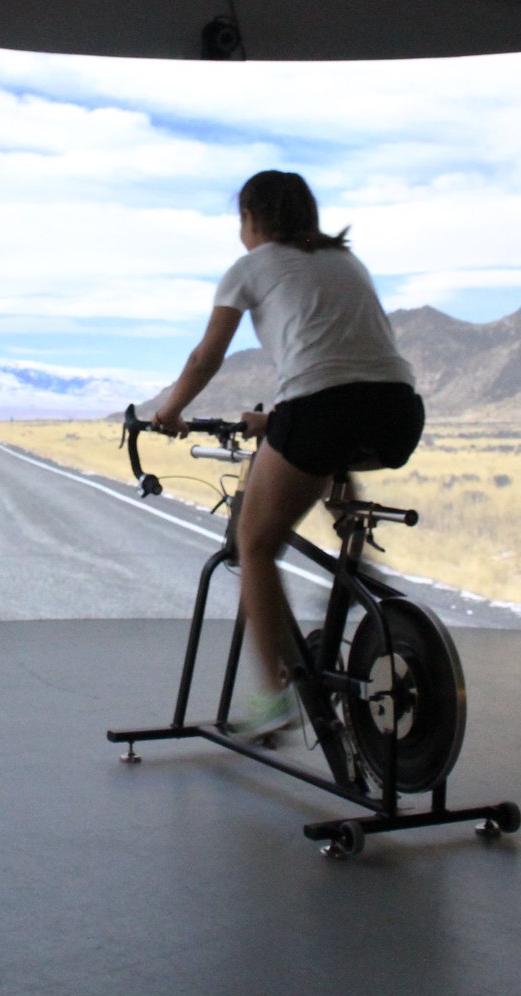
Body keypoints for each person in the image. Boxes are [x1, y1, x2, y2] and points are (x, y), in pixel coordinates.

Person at [152, 169, 425, 739]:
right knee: (323, 449)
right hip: (397, 414)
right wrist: (275, 420)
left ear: (252, 219)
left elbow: (205, 357)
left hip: (322, 413)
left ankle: (274, 699)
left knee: (253, 543)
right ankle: (354, 558)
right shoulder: (347, 262)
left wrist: (170, 413)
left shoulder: (249, 267)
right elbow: (344, 367)